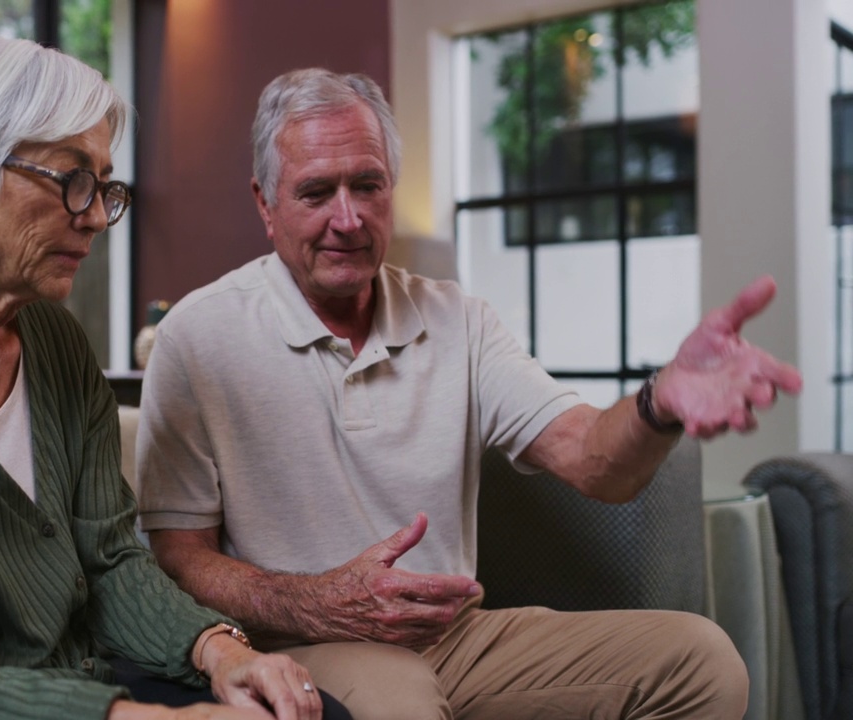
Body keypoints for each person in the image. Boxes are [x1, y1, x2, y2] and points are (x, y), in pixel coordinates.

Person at [136, 67, 804, 720]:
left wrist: (659, 401)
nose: (348, 218)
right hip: (300, 641)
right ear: (265, 203)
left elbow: (595, 462)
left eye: (367, 186)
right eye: (317, 193)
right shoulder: (198, 335)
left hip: (458, 640)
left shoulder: (459, 319)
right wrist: (313, 601)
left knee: (702, 662)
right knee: (399, 706)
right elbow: (178, 556)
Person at [0, 38, 351, 720]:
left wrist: (223, 651)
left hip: (57, 683)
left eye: (105, 187)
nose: (98, 215)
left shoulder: (56, 344)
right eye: (71, 179)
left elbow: (109, 561)